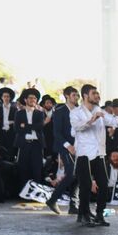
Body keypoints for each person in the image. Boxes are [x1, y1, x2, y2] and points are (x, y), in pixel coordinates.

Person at [71, 84, 118, 227]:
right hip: (84, 154)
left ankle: (99, 214)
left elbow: (111, 120)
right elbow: (78, 127)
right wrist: (93, 119)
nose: (97, 96)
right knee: (85, 185)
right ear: (86, 95)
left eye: (98, 93)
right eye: (94, 93)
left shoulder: (99, 110)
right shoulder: (75, 112)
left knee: (104, 185)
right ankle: (84, 214)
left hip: (99, 153)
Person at [46, 86, 80, 215]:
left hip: (79, 146)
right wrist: (68, 146)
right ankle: (53, 200)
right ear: (66, 96)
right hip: (64, 147)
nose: (76, 97)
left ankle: (73, 205)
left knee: (78, 173)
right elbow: (57, 132)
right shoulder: (60, 111)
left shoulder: (79, 111)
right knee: (71, 173)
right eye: (73, 95)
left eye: (77, 95)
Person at [14, 87, 46, 187]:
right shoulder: (19, 113)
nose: (33, 100)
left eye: (35, 98)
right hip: (24, 144)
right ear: (25, 100)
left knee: (37, 168)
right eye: (31, 98)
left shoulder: (40, 113)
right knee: (23, 168)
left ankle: (37, 192)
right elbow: (17, 129)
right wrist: (32, 127)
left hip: (36, 144)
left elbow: (40, 126)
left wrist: (25, 126)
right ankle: (24, 192)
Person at [0, 87, 17, 161]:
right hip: (1, 133)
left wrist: (8, 122)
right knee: (0, 153)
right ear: (2, 98)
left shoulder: (14, 109)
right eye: (4, 96)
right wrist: (2, 122)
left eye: (7, 96)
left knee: (10, 153)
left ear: (10, 98)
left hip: (11, 133)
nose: (6, 98)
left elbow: (16, 121)